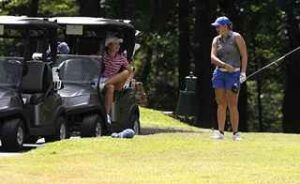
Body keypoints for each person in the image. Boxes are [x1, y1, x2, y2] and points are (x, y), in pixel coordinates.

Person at [210, 16, 248, 140]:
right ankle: (220, 132)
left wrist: (243, 73)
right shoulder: (216, 40)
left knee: (232, 104)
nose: (216, 28)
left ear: (226, 26)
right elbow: (213, 58)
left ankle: (235, 133)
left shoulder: (237, 37)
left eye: (218, 26)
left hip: (234, 75)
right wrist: (225, 65)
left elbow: (244, 55)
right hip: (219, 74)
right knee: (221, 103)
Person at [101, 36, 133, 124]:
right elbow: (93, 59)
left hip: (117, 82)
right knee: (110, 87)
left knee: (126, 72)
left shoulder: (121, 58)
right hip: (106, 80)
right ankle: (106, 115)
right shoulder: (103, 55)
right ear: (109, 45)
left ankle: (104, 84)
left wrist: (127, 82)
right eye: (115, 44)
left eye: (118, 44)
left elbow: (131, 71)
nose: (118, 46)